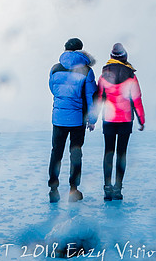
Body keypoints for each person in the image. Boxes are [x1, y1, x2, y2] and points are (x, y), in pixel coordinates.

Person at [88, 42, 145, 201]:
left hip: (109, 119)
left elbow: (99, 99)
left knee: (108, 152)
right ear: (125, 57)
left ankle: (107, 188)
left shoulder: (104, 76)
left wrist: (93, 120)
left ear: (112, 58)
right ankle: (118, 189)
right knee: (121, 154)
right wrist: (141, 119)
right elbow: (137, 100)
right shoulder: (132, 76)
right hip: (126, 120)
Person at [48, 37, 96, 203]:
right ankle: (73, 190)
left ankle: (53, 189)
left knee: (56, 153)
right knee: (75, 154)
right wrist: (93, 119)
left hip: (58, 118)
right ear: (80, 51)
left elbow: (53, 90)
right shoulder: (87, 71)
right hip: (77, 120)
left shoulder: (55, 68)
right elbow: (91, 97)